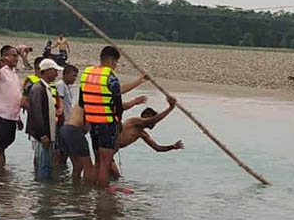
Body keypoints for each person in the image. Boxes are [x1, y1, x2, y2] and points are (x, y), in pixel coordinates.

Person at [79, 45, 169, 187]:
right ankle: (103, 197)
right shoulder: (111, 77)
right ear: (112, 61)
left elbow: (81, 101)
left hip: (92, 122)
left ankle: (87, 192)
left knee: (97, 161)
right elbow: (118, 105)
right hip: (107, 124)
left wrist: (140, 80)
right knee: (105, 162)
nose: (115, 66)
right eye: (116, 63)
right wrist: (118, 123)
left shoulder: (87, 74)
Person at [25, 58, 63, 180]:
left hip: (47, 135)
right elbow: (36, 114)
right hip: (42, 136)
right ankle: (44, 194)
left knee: (47, 166)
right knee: (44, 167)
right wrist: (43, 135)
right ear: (47, 71)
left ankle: (44, 193)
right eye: (54, 71)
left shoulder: (44, 87)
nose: (57, 74)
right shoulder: (37, 89)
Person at [117, 105, 184, 153]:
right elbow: (151, 121)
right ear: (147, 116)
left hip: (111, 152)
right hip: (107, 148)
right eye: (154, 119)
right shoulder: (133, 121)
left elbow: (157, 148)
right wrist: (170, 108)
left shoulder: (142, 133)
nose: (155, 124)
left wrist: (172, 146)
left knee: (115, 173)